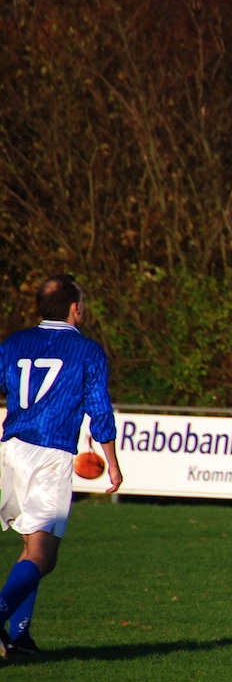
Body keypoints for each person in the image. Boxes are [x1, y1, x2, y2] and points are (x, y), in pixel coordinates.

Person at [0, 274, 122, 658]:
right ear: (74, 308)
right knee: (43, 556)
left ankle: (20, 638)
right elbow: (99, 410)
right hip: (50, 453)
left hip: (10, 449)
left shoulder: (13, 343)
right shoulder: (87, 351)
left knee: (29, 548)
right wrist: (113, 464)